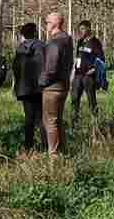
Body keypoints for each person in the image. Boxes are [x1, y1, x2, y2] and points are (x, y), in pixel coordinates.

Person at [39, 12, 74, 154]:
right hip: (63, 86)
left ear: (55, 23)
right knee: (58, 120)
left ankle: (53, 155)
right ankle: (63, 150)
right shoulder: (67, 39)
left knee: (50, 122)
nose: (46, 24)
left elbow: (51, 68)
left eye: (47, 22)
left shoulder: (54, 42)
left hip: (52, 88)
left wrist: (42, 82)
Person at [13, 23, 46, 152]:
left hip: (24, 88)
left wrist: (17, 85)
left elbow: (15, 67)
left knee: (28, 118)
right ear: (35, 32)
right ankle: (45, 145)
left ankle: (28, 146)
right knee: (41, 118)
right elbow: (44, 66)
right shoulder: (42, 46)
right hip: (39, 87)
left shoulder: (20, 48)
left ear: (22, 34)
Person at [71, 20, 103, 125]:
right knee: (75, 99)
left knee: (91, 100)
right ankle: (74, 123)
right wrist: (73, 73)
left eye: (83, 29)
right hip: (78, 75)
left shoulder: (95, 42)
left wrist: (93, 70)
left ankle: (95, 123)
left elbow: (101, 60)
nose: (81, 31)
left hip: (89, 77)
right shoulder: (80, 42)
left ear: (89, 28)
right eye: (80, 29)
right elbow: (77, 58)